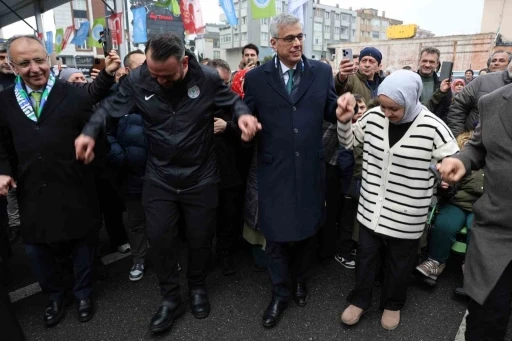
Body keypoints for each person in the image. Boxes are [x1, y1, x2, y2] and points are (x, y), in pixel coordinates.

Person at [74, 32, 250, 334]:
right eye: (153, 75)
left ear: (183, 62)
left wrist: (243, 115)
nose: (158, 82)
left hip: (201, 176)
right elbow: (107, 109)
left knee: (199, 239)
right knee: (160, 239)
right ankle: (170, 298)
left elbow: (232, 101)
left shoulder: (206, 78)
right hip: (159, 177)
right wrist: (89, 132)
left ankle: (197, 287)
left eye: (166, 76)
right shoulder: (138, 79)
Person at [238, 13, 356, 328]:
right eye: (289, 38)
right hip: (273, 169)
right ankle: (279, 293)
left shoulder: (319, 71)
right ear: (273, 43)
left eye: (300, 36)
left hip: (309, 167)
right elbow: (246, 111)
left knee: (306, 231)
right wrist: (243, 124)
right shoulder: (257, 77)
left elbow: (329, 107)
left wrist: (341, 109)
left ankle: (301, 280)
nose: (297, 43)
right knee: (275, 236)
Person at [0, 34, 120, 327]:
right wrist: (3, 170)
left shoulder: (74, 94)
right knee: (37, 250)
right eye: (24, 63)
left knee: (82, 245)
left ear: (49, 59)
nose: (34, 68)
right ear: (13, 66)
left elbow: (98, 128)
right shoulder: (3, 102)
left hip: (75, 183)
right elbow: (2, 145)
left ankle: (83, 294)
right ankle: (54, 296)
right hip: (31, 188)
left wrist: (92, 141)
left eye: (39, 60)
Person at [337, 70, 458, 331]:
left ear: (412, 100)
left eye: (394, 108)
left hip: (407, 215)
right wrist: (344, 122)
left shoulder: (434, 127)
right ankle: (359, 300)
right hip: (371, 210)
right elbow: (348, 142)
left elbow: (453, 162)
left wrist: (447, 174)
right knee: (366, 258)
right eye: (382, 106)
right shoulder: (372, 116)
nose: (386, 113)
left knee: (399, 264)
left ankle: (393, 304)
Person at [438, 83, 512, 341]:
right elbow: (479, 146)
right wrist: (462, 160)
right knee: (486, 319)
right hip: (496, 234)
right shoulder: (492, 101)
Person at [416, 131, 483, 285]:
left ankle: (473, 269)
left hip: (482, 204)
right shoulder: (460, 159)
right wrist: (444, 186)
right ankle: (435, 262)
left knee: (478, 229)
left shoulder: (495, 161)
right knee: (445, 225)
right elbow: (446, 186)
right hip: (457, 201)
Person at [106, 50, 149, 281]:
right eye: (142, 65)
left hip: (159, 172)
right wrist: (120, 156)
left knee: (163, 221)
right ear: (129, 71)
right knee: (135, 221)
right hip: (131, 173)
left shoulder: (163, 90)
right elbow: (106, 132)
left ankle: (167, 258)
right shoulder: (115, 96)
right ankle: (139, 259)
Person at [207, 58, 244, 275]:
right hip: (202, 175)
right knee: (204, 222)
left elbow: (249, 136)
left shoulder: (236, 103)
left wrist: (228, 127)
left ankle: (225, 254)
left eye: (226, 82)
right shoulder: (194, 103)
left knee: (229, 218)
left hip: (230, 174)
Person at [447, 60, 512, 137]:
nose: (496, 63)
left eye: (501, 60)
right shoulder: (482, 80)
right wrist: (459, 138)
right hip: (475, 142)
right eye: (494, 60)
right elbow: (458, 107)